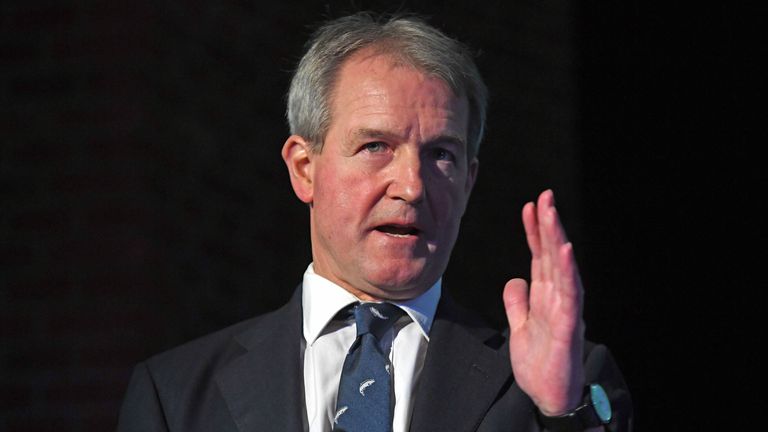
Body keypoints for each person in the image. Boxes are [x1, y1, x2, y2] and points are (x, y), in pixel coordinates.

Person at [118, 13, 632, 432]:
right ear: (305, 168)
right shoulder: (176, 395)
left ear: (469, 181)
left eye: (441, 155)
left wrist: (562, 412)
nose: (411, 185)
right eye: (375, 146)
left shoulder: (560, 386)